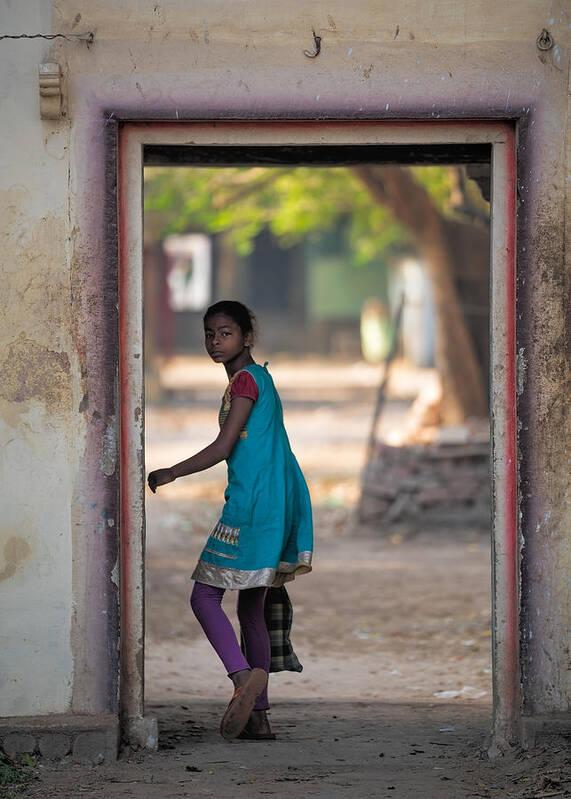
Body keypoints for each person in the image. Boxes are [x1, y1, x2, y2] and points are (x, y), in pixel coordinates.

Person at [148, 300, 313, 741]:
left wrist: (171, 471)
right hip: (276, 501)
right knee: (251, 610)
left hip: (251, 505)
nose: (215, 342)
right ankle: (259, 718)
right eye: (209, 334)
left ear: (247, 336)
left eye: (224, 333)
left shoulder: (244, 381)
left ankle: (242, 679)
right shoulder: (262, 378)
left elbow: (223, 446)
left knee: (204, 597)